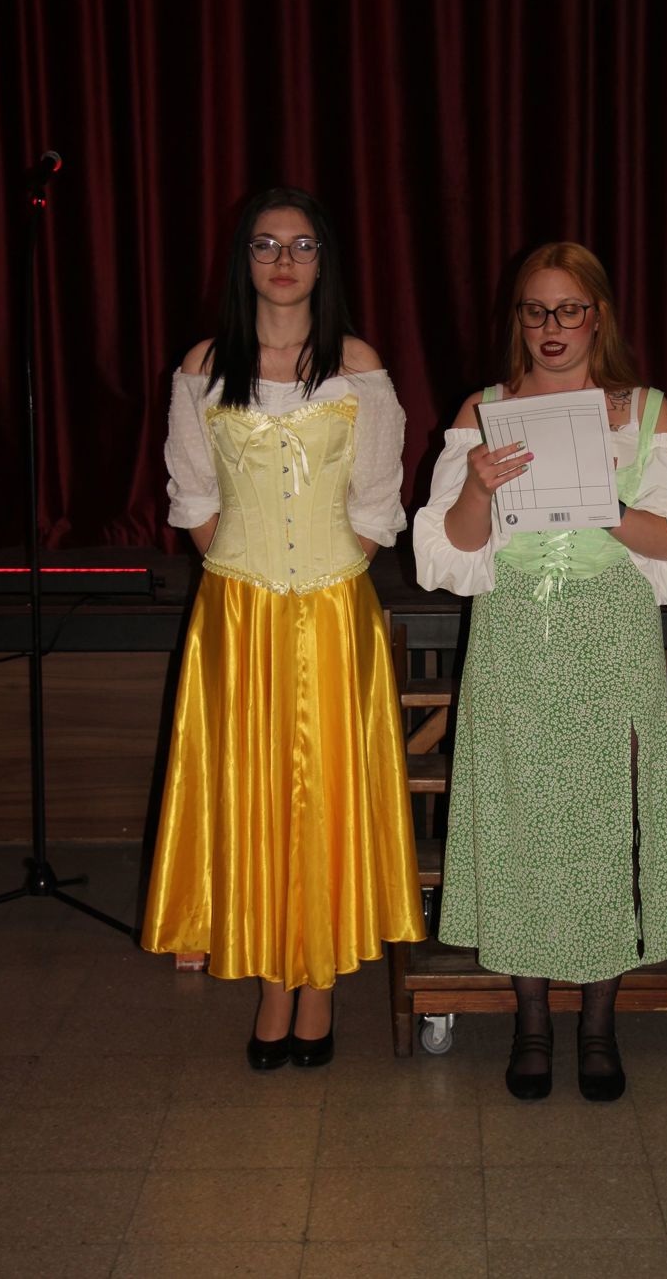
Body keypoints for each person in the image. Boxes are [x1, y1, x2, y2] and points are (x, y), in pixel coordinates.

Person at [413, 242, 667, 1101]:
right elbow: (452, 552)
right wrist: (478, 488)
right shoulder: (486, 409)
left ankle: (597, 1023)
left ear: (598, 317)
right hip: (516, 632)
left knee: (602, 822)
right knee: (518, 817)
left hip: (607, 633)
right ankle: (531, 1021)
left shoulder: (643, 411)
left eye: (569, 309)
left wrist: (607, 504)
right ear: (517, 320)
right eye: (535, 310)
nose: (552, 327)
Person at [142, 186, 425, 1070]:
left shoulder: (357, 364)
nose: (284, 262)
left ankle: (321, 982)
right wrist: (236, 568)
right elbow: (193, 491)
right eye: (266, 245)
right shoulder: (204, 365)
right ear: (245, 259)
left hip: (334, 608)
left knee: (325, 795)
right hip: (239, 611)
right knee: (254, 796)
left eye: (302, 245)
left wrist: (337, 570)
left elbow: (378, 495)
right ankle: (273, 979)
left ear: (323, 261)